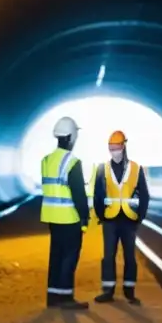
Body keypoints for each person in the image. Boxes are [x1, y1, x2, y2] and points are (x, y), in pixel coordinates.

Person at [92, 130, 150, 305]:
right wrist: (101, 215)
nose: (113, 150)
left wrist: (139, 217)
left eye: (116, 147)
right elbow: (97, 195)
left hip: (128, 219)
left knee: (129, 256)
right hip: (110, 218)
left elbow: (144, 195)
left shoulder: (136, 168)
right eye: (111, 147)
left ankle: (129, 291)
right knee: (108, 256)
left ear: (123, 146)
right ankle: (107, 290)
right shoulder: (102, 168)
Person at [40, 116, 91, 310]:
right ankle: (66, 298)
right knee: (70, 257)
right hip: (69, 218)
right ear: (71, 137)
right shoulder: (72, 162)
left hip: (52, 217)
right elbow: (78, 193)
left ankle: (53, 297)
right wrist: (85, 217)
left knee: (56, 256)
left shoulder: (46, 161)